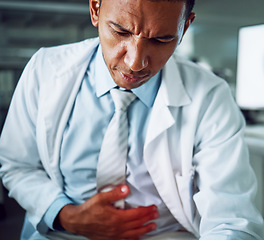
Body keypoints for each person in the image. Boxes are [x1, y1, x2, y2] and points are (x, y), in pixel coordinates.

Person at [0, 0, 263, 239]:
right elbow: (17, 166)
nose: (135, 63)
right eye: (121, 31)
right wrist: (67, 216)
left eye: (161, 39)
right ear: (95, 9)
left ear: (185, 27)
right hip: (63, 232)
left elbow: (231, 219)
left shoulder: (211, 95)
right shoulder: (45, 69)